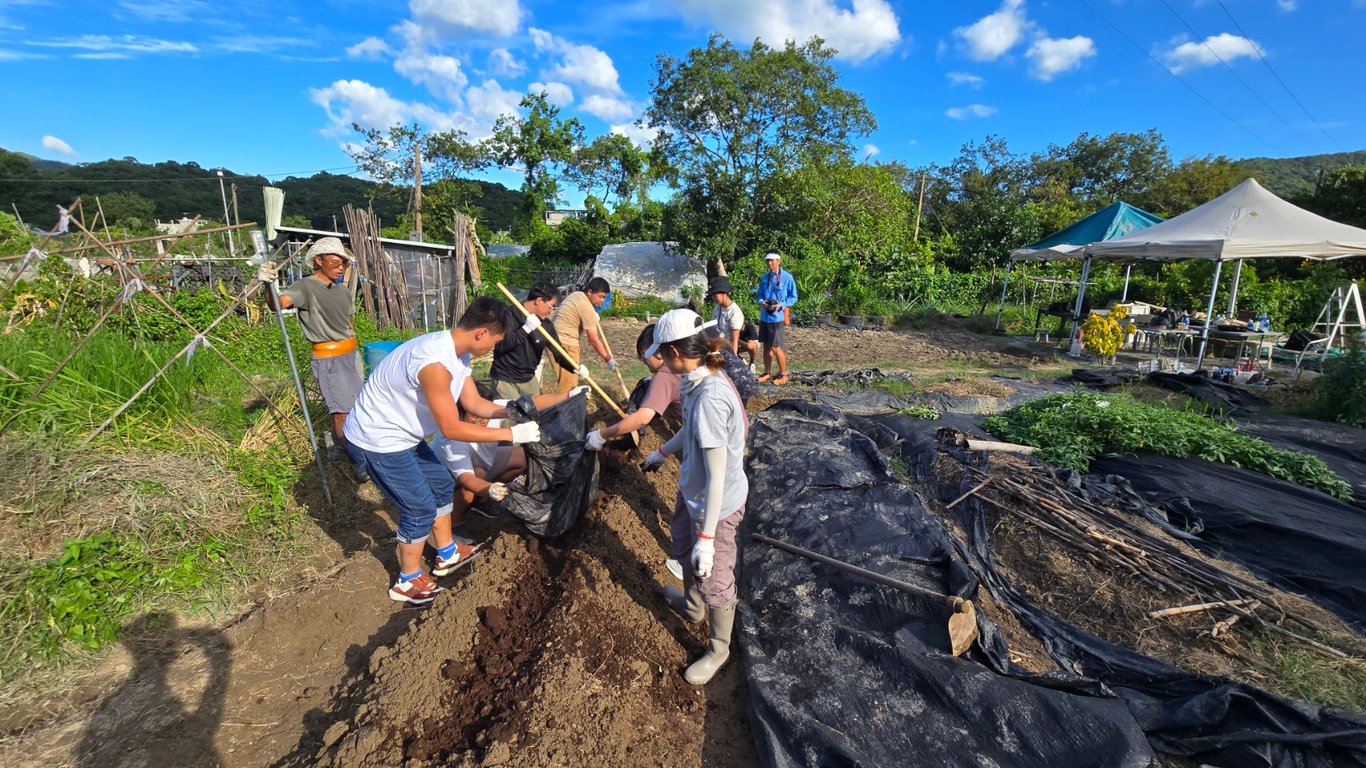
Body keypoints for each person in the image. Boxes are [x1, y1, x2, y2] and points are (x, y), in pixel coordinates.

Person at [344, 297, 542, 605]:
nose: (493, 350)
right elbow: (451, 428)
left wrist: (512, 411)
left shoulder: (457, 355)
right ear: (481, 333)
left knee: (440, 483)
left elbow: (474, 404)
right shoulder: (434, 364)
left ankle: (446, 552)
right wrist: (511, 433)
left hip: (404, 435)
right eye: (494, 342)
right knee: (418, 507)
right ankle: (407, 580)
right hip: (377, 440)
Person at [639, 309, 749, 685]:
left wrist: (708, 538)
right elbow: (690, 431)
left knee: (715, 576)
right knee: (683, 548)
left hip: (716, 505)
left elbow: (718, 474)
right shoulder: (695, 380)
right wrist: (663, 453)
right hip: (694, 492)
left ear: (674, 353)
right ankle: (692, 605)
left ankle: (719, 649)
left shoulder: (711, 398)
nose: (659, 363)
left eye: (661, 355)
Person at [434, 386, 586, 551]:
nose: (481, 421)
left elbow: (530, 404)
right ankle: (456, 521)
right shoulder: (451, 442)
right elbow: (466, 479)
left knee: (523, 457)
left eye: (481, 414)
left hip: (483, 465)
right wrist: (489, 488)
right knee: (477, 476)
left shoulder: (488, 411)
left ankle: (481, 501)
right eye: (473, 416)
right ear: (458, 411)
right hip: (449, 482)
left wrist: (568, 394)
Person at [258, 237, 363, 465]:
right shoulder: (305, 287)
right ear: (319, 260)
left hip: (351, 356)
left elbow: (348, 321)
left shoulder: (342, 291)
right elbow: (277, 304)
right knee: (343, 412)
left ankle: (352, 447)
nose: (341, 267)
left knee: (358, 406)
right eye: (336, 262)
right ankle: (354, 458)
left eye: (344, 263)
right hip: (330, 359)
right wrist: (267, 284)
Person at [583, 323, 684, 451]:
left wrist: (601, 435)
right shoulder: (685, 361)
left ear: (658, 352)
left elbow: (643, 418)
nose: (644, 362)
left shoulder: (665, 375)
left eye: (644, 356)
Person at [489, 284, 585, 399]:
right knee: (513, 416)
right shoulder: (509, 315)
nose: (550, 311)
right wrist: (525, 329)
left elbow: (558, 352)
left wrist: (575, 367)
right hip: (505, 379)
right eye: (550, 306)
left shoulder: (546, 326)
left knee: (536, 414)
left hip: (528, 379)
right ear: (539, 301)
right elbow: (500, 346)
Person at [549, 276, 616, 393]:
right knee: (568, 387)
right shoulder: (586, 307)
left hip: (555, 341)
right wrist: (608, 359)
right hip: (565, 345)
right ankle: (563, 409)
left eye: (604, 298)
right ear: (590, 292)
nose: (602, 301)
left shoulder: (577, 295)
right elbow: (593, 339)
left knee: (567, 383)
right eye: (600, 296)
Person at [755, 251, 797, 385]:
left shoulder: (787, 277)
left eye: (772, 260)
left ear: (778, 261)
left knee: (776, 347)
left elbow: (793, 297)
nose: (769, 263)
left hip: (777, 318)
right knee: (766, 346)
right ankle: (767, 372)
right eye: (767, 260)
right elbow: (760, 294)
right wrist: (761, 301)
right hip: (765, 316)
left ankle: (783, 374)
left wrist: (782, 305)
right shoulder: (764, 277)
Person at [708, 275, 759, 366]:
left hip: (729, 347)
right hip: (720, 345)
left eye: (715, 294)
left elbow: (734, 340)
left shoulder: (734, 312)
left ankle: (741, 361)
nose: (713, 297)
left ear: (724, 293)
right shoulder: (717, 308)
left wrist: (733, 360)